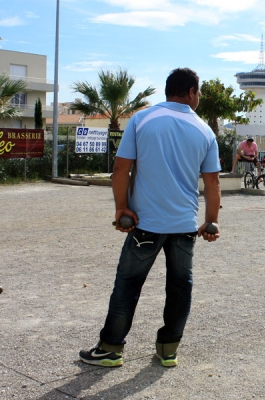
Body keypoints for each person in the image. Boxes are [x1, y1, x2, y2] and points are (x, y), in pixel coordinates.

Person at [79, 68, 221, 368]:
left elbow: (121, 169)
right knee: (180, 287)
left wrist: (121, 208)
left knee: (128, 285)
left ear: (168, 90)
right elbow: (212, 183)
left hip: (145, 223)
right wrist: (210, 221)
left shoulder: (142, 119)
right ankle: (168, 349)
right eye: (199, 93)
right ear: (192, 93)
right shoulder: (205, 131)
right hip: (183, 225)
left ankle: (110, 349)